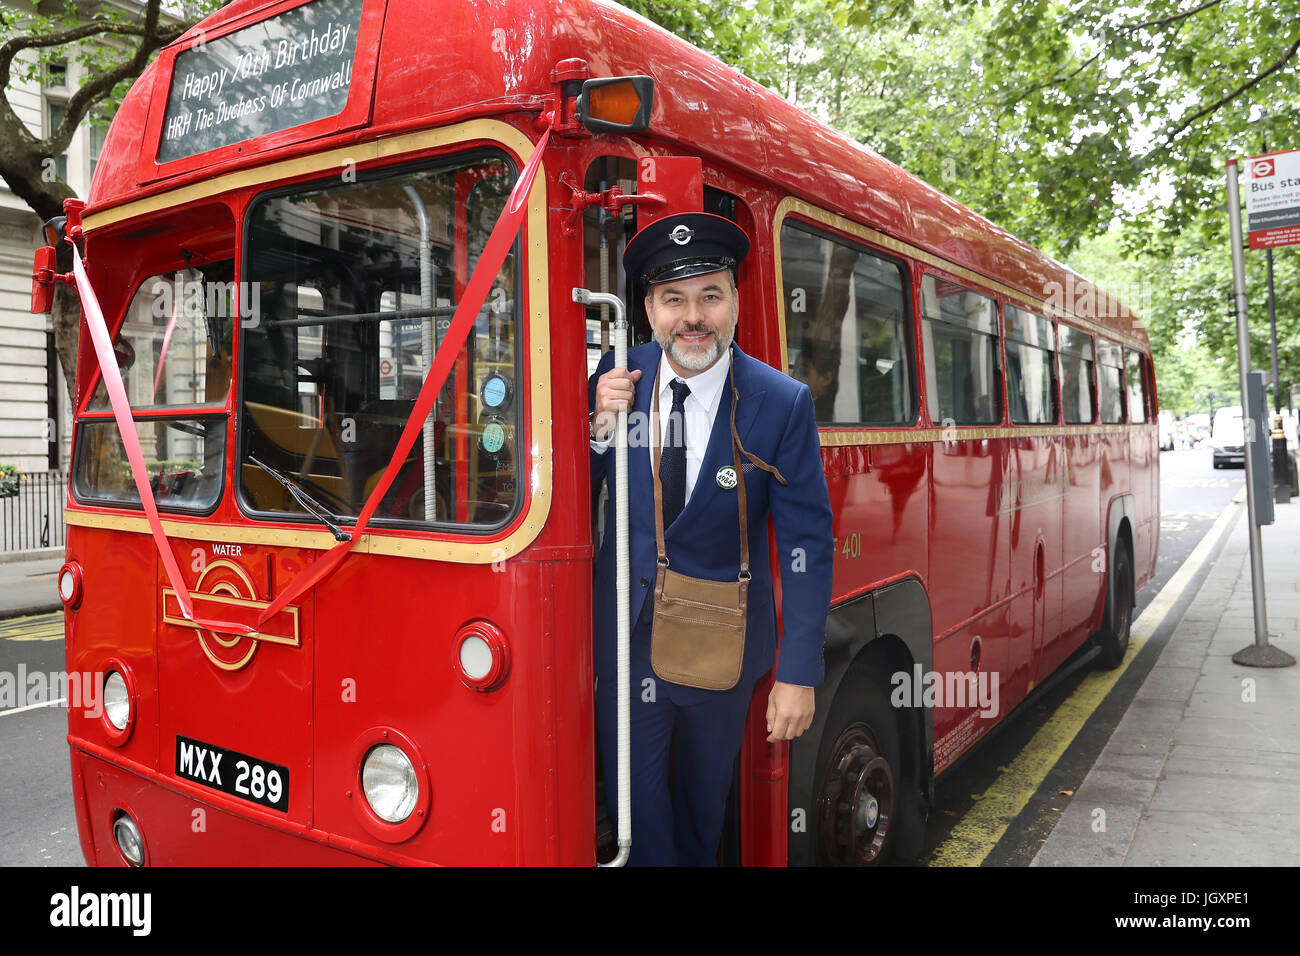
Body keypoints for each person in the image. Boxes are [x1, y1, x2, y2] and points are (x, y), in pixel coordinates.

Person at [588, 212, 833, 866]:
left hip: (720, 643)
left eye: (709, 296)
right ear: (648, 309)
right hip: (629, 642)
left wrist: (798, 673)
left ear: (735, 301)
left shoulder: (781, 403)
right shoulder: (616, 381)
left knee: (703, 811)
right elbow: (561, 494)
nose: (691, 317)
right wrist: (596, 429)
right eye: (673, 300)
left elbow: (807, 540)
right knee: (638, 817)